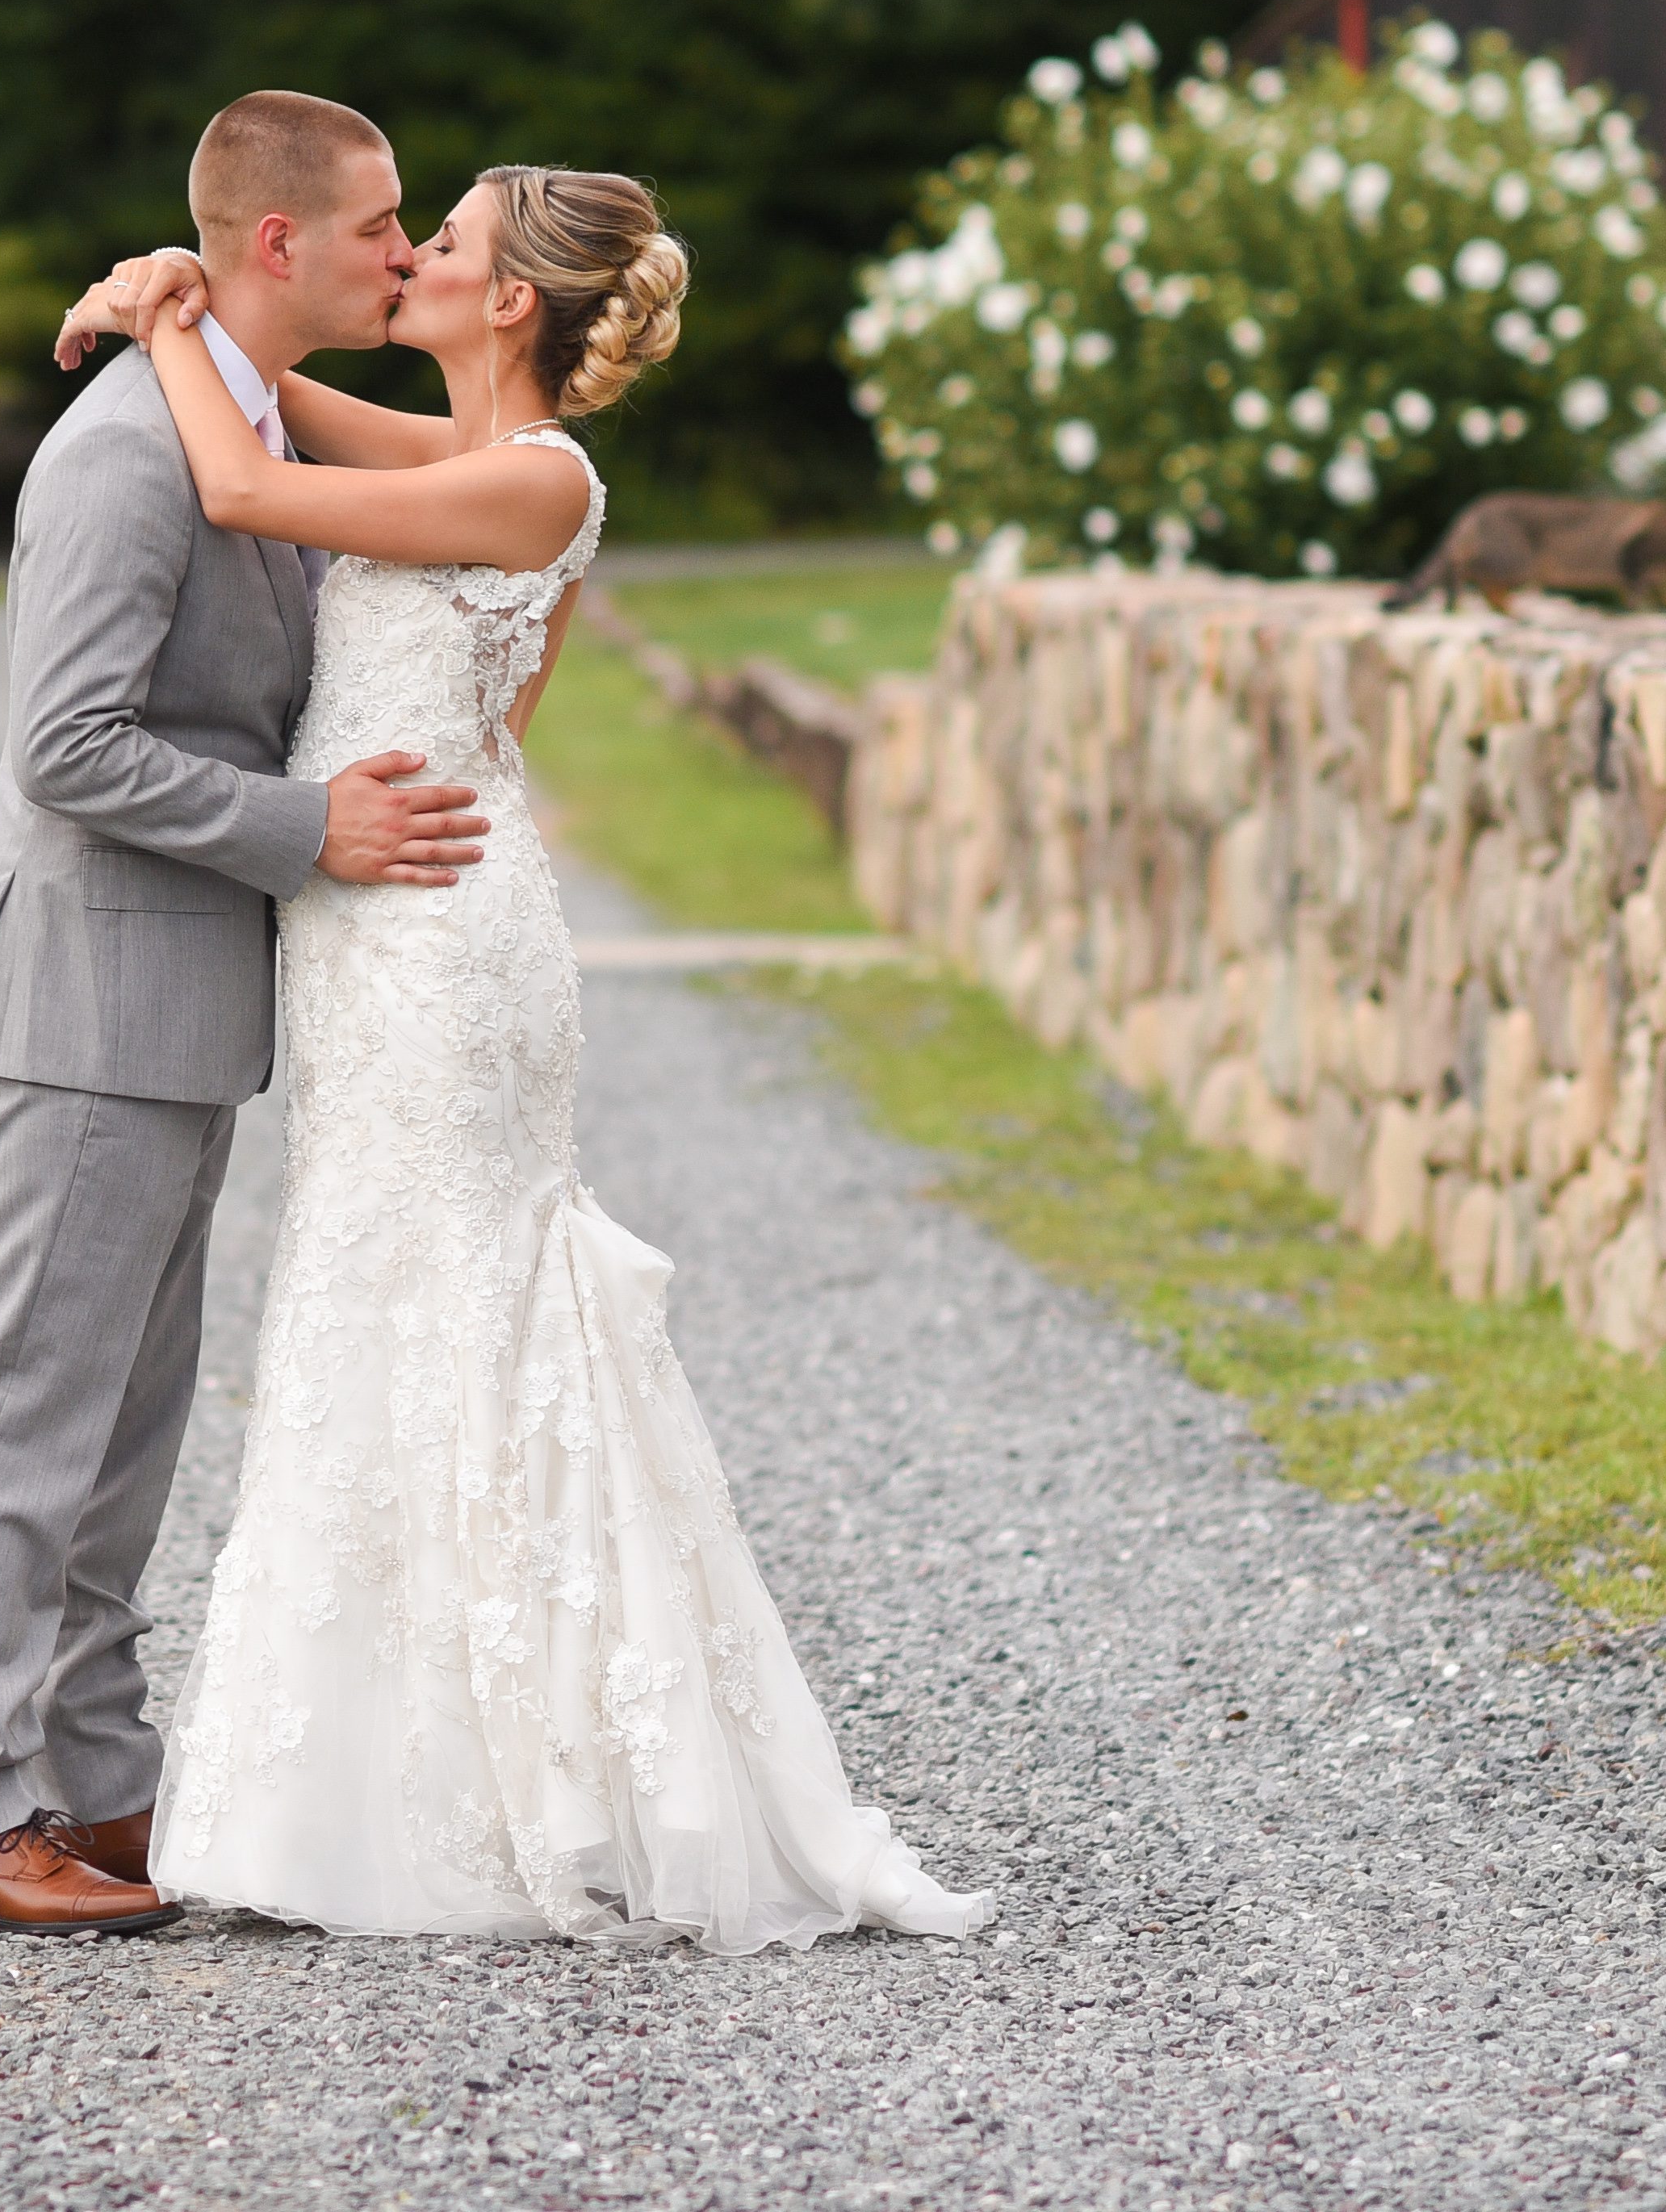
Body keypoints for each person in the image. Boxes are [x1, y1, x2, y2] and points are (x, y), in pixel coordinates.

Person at [53, 165, 993, 1952]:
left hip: (435, 946)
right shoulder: (446, 446)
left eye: (449, 246)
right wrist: (178, 301)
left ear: (507, 308)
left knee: (435, 1303)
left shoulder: (532, 473)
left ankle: (467, 1791)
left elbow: (244, 475)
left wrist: (167, 314)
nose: (411, 256)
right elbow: (275, 410)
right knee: (378, 1303)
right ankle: (403, 1766)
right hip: (376, 933)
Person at [0, 90, 488, 1937]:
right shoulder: (120, 454)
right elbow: (65, 747)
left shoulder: (228, 407)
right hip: (85, 1001)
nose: (402, 251)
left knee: (125, 1433)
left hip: (175, 1008)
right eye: (383, 221)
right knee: (26, 1417)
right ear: (275, 243)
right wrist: (312, 834)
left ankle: (93, 1781)